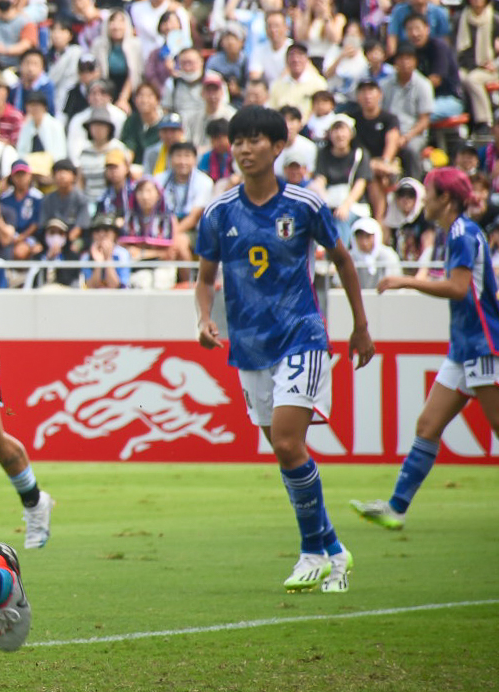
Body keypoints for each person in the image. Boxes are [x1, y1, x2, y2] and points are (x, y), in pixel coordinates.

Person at [195, 105, 374, 593]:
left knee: (290, 443)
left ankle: (311, 552)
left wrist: (360, 326)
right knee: (282, 449)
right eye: (238, 141)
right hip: (249, 347)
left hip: (301, 335)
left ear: (278, 147)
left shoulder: (304, 204)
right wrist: (204, 317)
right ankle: (334, 550)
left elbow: (343, 260)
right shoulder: (218, 212)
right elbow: (206, 277)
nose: (245, 149)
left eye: (255, 140)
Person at [356, 169, 498, 529]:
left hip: (483, 344)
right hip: (464, 347)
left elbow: (459, 288)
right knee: (428, 425)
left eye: (429, 194)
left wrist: (406, 280)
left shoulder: (463, 233)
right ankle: (396, 508)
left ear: (445, 199)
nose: (424, 201)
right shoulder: (456, 233)